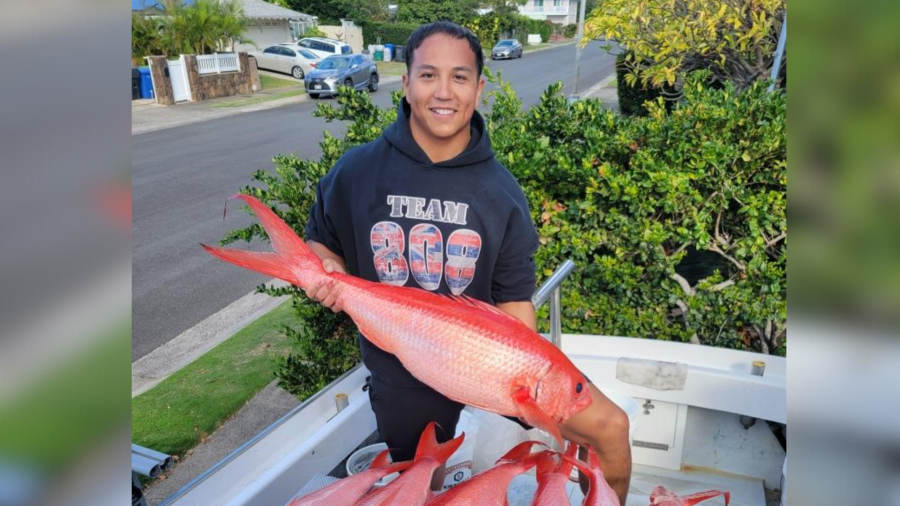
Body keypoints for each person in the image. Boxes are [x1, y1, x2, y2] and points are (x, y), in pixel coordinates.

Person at [304, 21, 632, 503]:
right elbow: (321, 243)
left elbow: (516, 303)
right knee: (419, 484)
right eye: (428, 75)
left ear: (479, 87)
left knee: (612, 427)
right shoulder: (356, 170)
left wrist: (524, 379)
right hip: (404, 369)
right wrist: (324, 274)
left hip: (489, 366)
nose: (443, 91)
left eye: (459, 77)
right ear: (407, 83)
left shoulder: (501, 191)